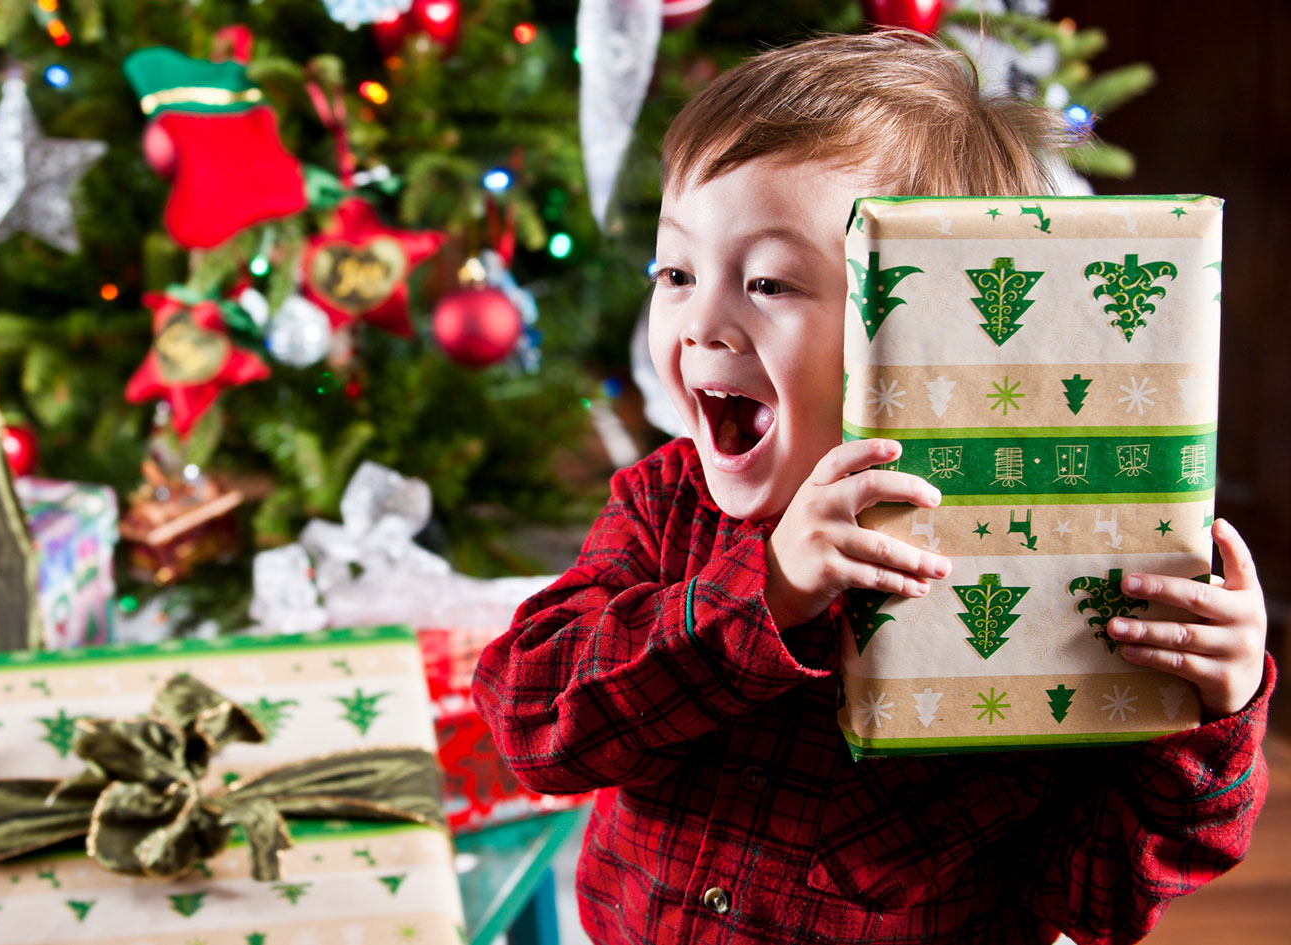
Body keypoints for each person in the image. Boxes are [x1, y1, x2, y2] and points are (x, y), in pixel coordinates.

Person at [472, 30, 1273, 945]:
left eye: (768, 280)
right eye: (677, 272)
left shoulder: (1039, 573)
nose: (701, 321)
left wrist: (1212, 713)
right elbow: (529, 720)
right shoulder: (666, 504)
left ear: (937, 328)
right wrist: (760, 594)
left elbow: (1098, 898)